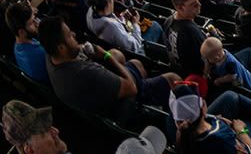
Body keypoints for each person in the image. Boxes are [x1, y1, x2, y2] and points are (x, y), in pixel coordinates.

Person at [41, 14, 176, 124]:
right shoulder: (85, 73)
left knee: (135, 63)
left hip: (97, 101)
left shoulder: (51, 56)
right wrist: (107, 56)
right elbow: (131, 88)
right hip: (123, 106)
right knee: (173, 78)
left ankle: (148, 94)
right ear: (61, 48)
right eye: (69, 36)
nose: (74, 35)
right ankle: (148, 103)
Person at [162, 0, 209, 76]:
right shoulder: (191, 32)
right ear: (180, 8)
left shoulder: (168, 21)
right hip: (195, 76)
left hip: (178, 71)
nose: (199, 4)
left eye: (198, 0)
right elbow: (209, 59)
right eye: (194, 5)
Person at [7, 3, 49, 84]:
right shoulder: (40, 53)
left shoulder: (17, 45)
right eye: (32, 22)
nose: (37, 23)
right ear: (21, 32)